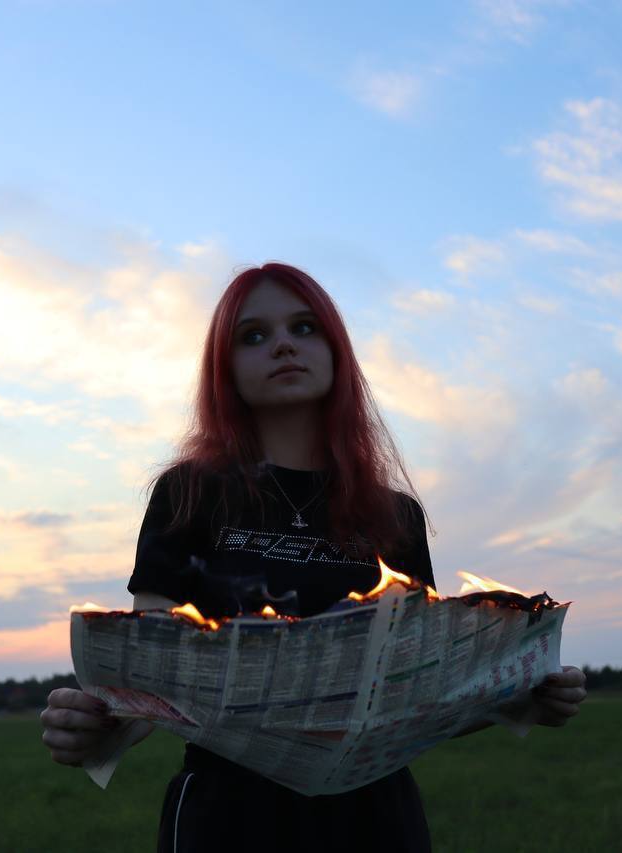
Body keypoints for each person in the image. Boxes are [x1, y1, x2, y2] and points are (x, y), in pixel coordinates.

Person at [41, 263, 587, 852]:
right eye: (253, 335)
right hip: (229, 816)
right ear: (225, 368)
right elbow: (148, 682)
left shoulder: (396, 515)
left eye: (304, 327)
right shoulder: (189, 494)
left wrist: (522, 698)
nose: (283, 344)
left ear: (335, 350)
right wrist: (93, 727)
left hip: (376, 818)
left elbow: (421, 700)